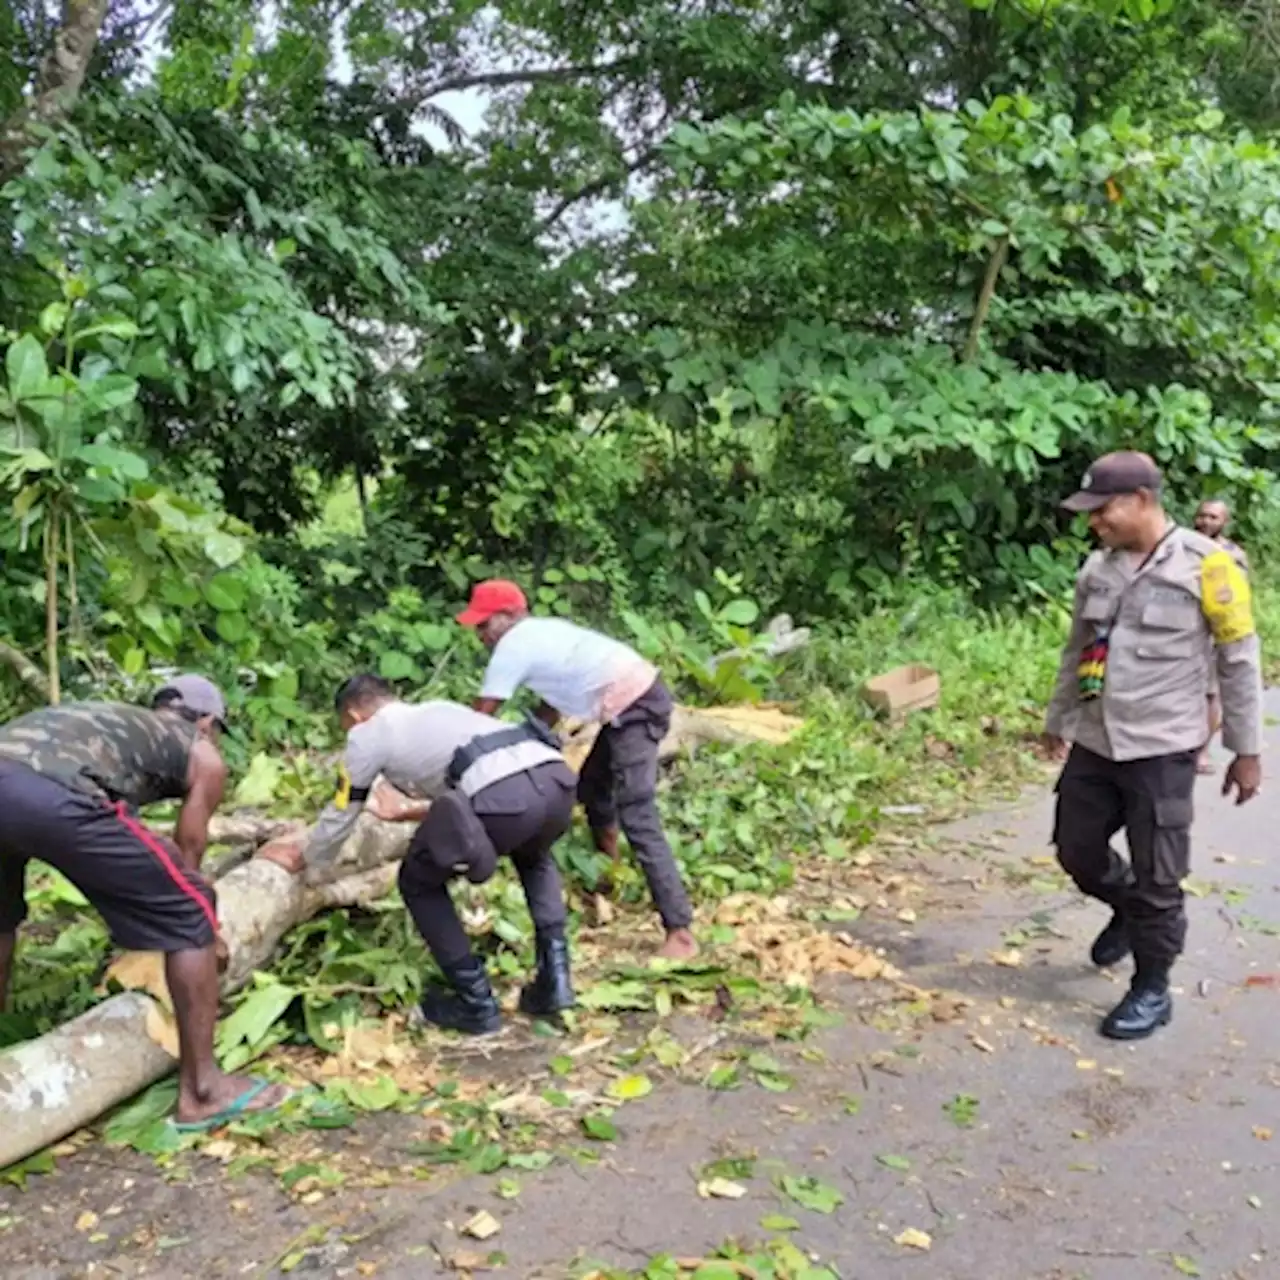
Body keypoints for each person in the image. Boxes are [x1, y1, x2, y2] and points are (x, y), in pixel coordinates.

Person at [0, 675, 289, 1129]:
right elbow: (189, 851)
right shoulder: (200, 751)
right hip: (50, 793)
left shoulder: (110, 722)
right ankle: (203, 1092)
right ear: (207, 722)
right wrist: (198, 927)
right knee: (190, 908)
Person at [1043, 452, 1262, 1041]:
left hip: (1163, 748)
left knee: (1159, 877)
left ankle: (1152, 987)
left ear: (1141, 500)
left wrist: (1246, 749)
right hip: (1096, 740)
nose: (1095, 523)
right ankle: (1125, 906)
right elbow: (1076, 650)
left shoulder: (1210, 566)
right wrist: (1057, 719)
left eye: (1103, 509)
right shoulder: (1097, 570)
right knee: (1075, 849)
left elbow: (1239, 659)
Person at [259, 675, 578, 1035]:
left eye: (345, 726)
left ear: (354, 714)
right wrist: (407, 811)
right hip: (555, 779)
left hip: (505, 794)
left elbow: (344, 807)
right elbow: (470, 791)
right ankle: (556, 979)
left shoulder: (368, 733)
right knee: (533, 855)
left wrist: (310, 856)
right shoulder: (439, 711)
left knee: (417, 881)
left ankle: (476, 1003)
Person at [456, 579, 698, 961]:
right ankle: (609, 877)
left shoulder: (513, 647)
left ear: (507, 617)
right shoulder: (544, 633)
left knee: (638, 813)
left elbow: (480, 716)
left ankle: (680, 930)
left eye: (484, 625)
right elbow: (551, 703)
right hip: (632, 699)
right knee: (591, 789)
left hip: (632, 707)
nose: (480, 636)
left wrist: (457, 758)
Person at [1192, 499, 1251, 775]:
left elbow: (1234, 599)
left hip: (1215, 632)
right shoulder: (1182, 548)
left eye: (1213, 517)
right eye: (1202, 516)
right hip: (1185, 632)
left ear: (1224, 521)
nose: (1206, 521)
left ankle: (1202, 751)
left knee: (1211, 694)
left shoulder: (1232, 555)